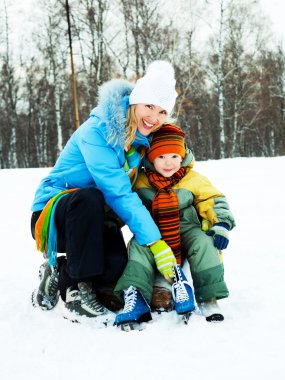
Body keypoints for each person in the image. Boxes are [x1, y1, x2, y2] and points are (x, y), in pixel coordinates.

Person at [30, 60, 179, 320]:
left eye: (163, 112)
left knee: (113, 268)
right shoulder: (98, 131)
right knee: (90, 196)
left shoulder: (143, 140)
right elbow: (118, 192)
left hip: (96, 218)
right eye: (149, 106)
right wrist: (154, 241)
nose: (154, 118)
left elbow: (170, 161)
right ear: (136, 100)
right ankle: (77, 289)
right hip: (55, 215)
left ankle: (58, 268)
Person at [114, 124, 236, 326]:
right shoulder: (141, 181)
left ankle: (209, 298)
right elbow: (125, 205)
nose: (168, 163)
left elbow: (212, 199)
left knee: (204, 243)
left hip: (187, 229)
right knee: (137, 248)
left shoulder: (192, 178)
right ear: (151, 158)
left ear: (183, 156)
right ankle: (135, 296)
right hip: (152, 232)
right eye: (161, 157)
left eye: (173, 156)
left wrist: (221, 222)